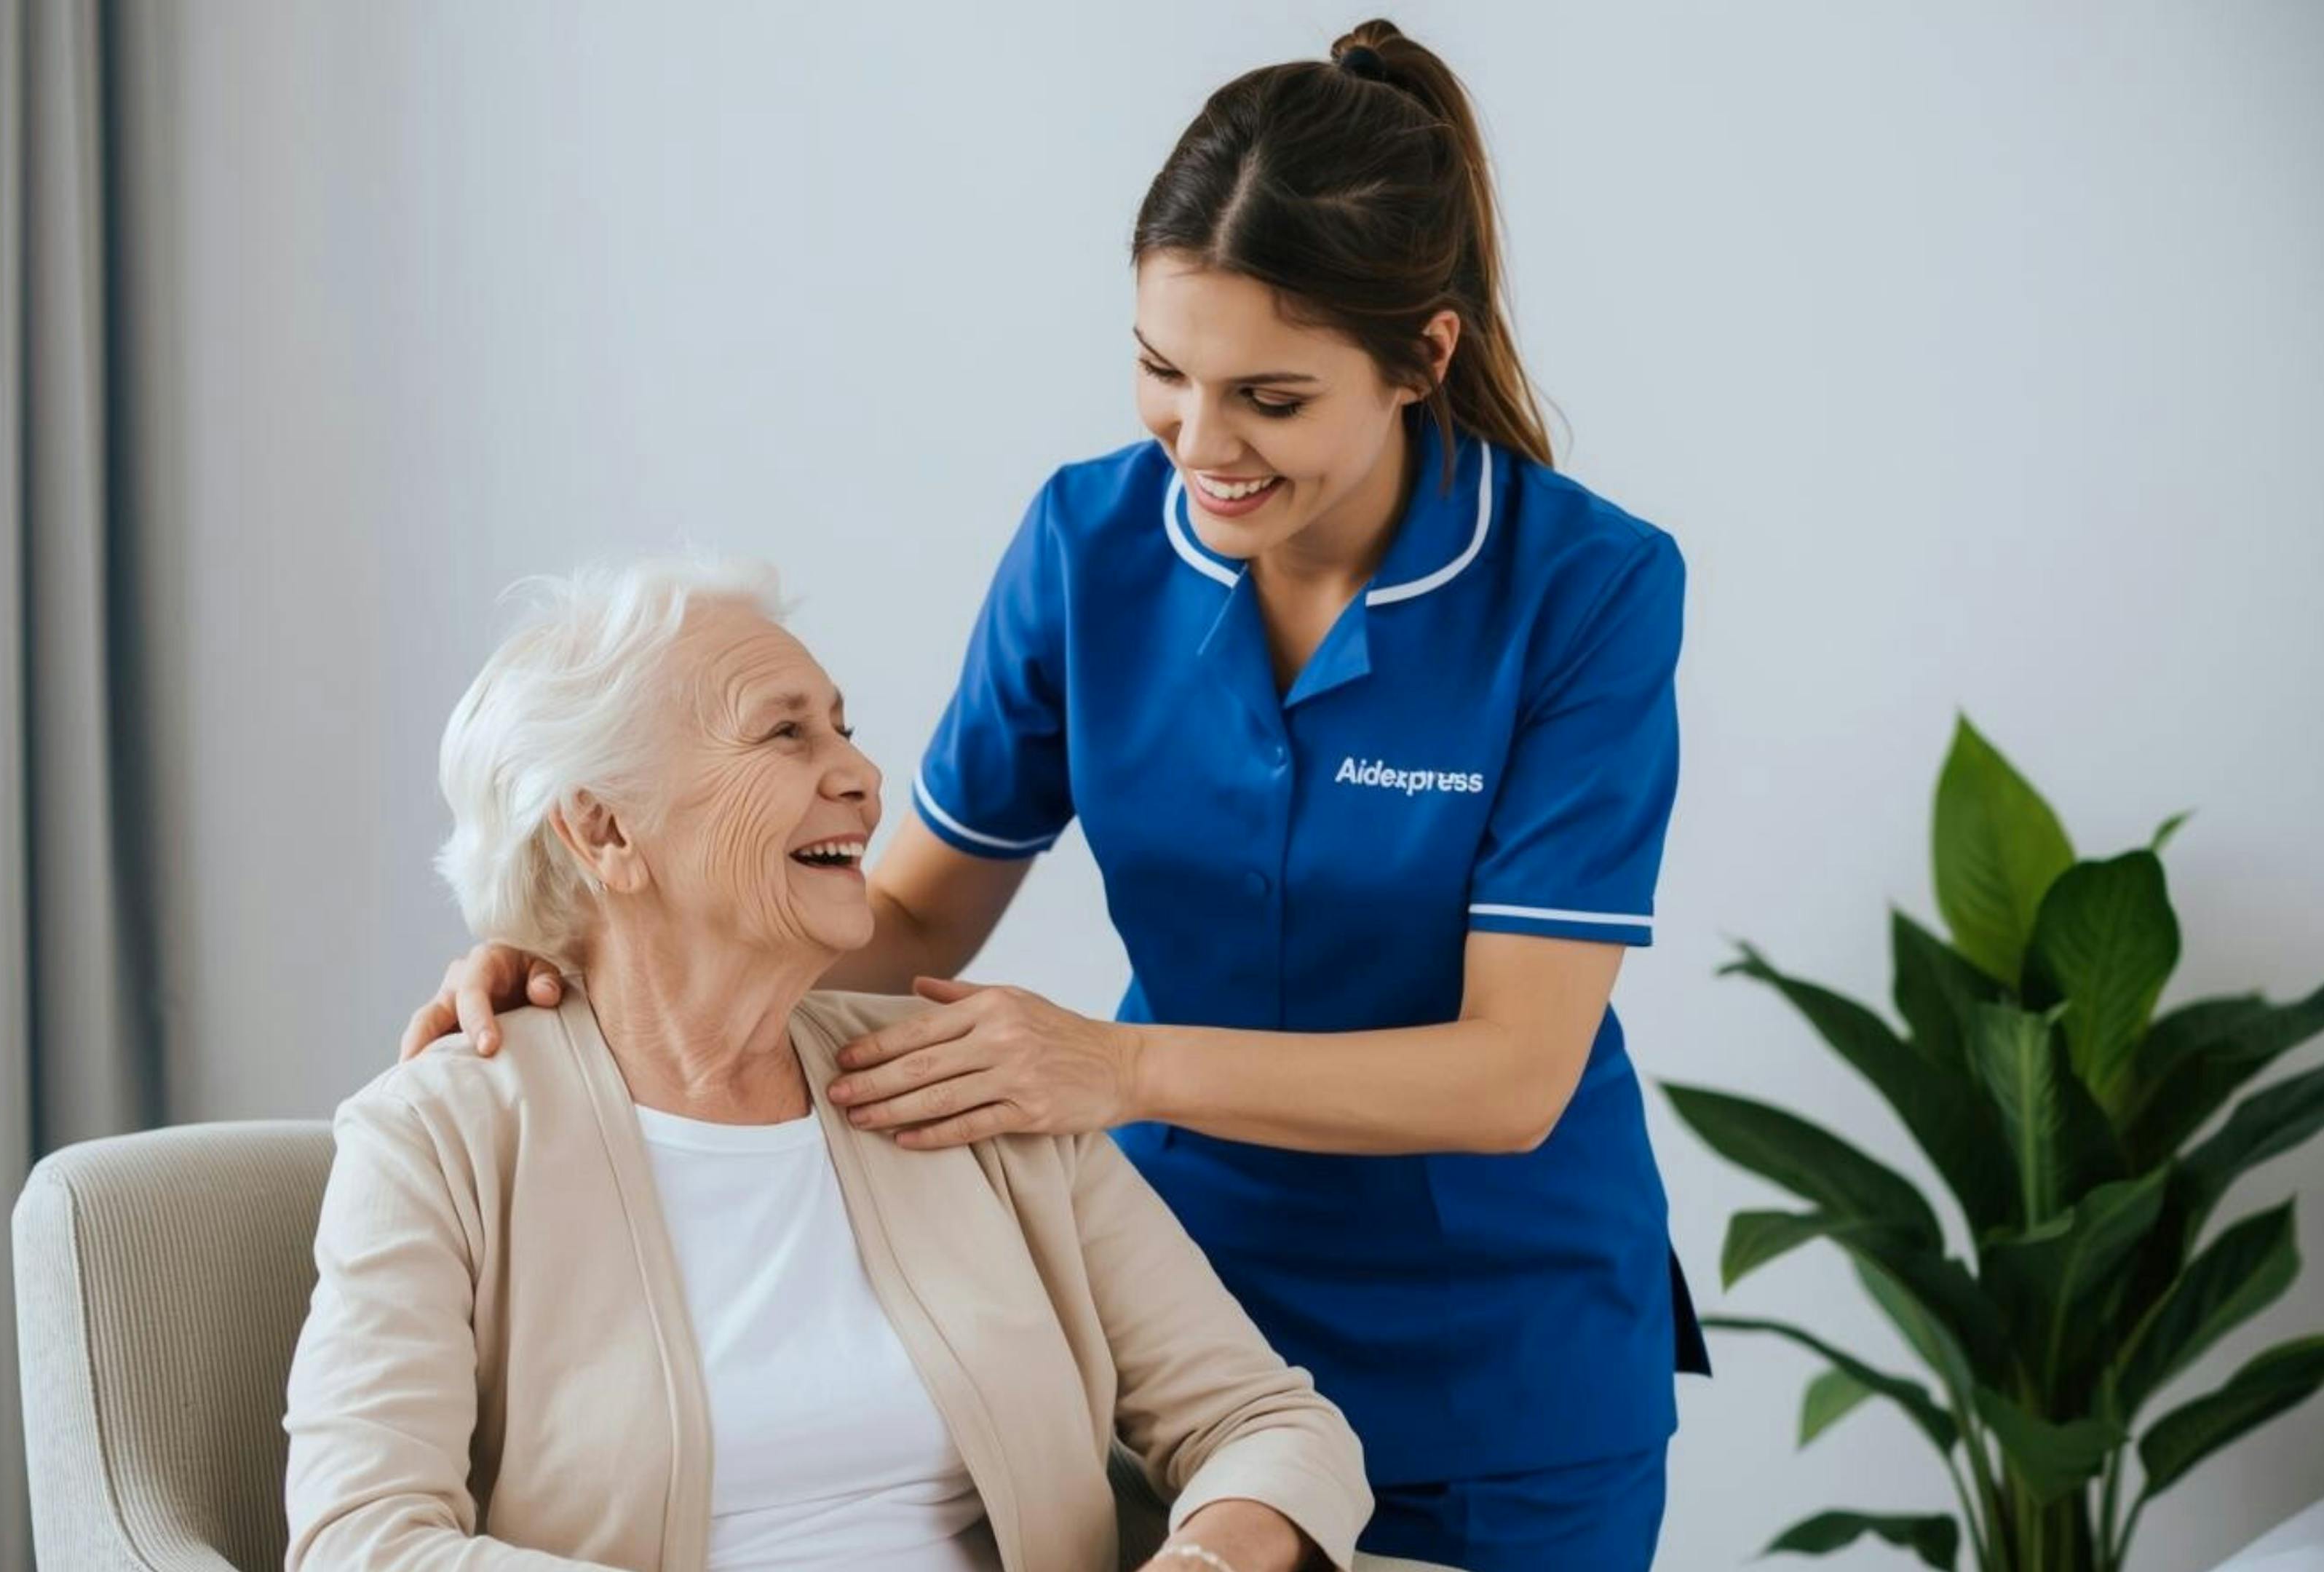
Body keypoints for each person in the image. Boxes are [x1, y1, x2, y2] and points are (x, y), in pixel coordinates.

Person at [402, 20, 1706, 1570]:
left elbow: (1514, 1075)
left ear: (1422, 358)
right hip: (1175, 1325)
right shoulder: (1091, 546)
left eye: (1270, 397)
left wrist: (1115, 1065)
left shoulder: (1584, 589)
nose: (1202, 445)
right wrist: (581, 964)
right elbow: (899, 923)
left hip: (1500, 1363)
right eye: (1163, 372)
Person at [287, 557, 1372, 1572]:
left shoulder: (972, 1078)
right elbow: (363, 1542)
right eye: (785, 735)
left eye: (844, 730)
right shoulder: (439, 1135)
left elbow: (1268, 1422)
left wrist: (1206, 1559)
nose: (861, 776)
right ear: (605, 829)